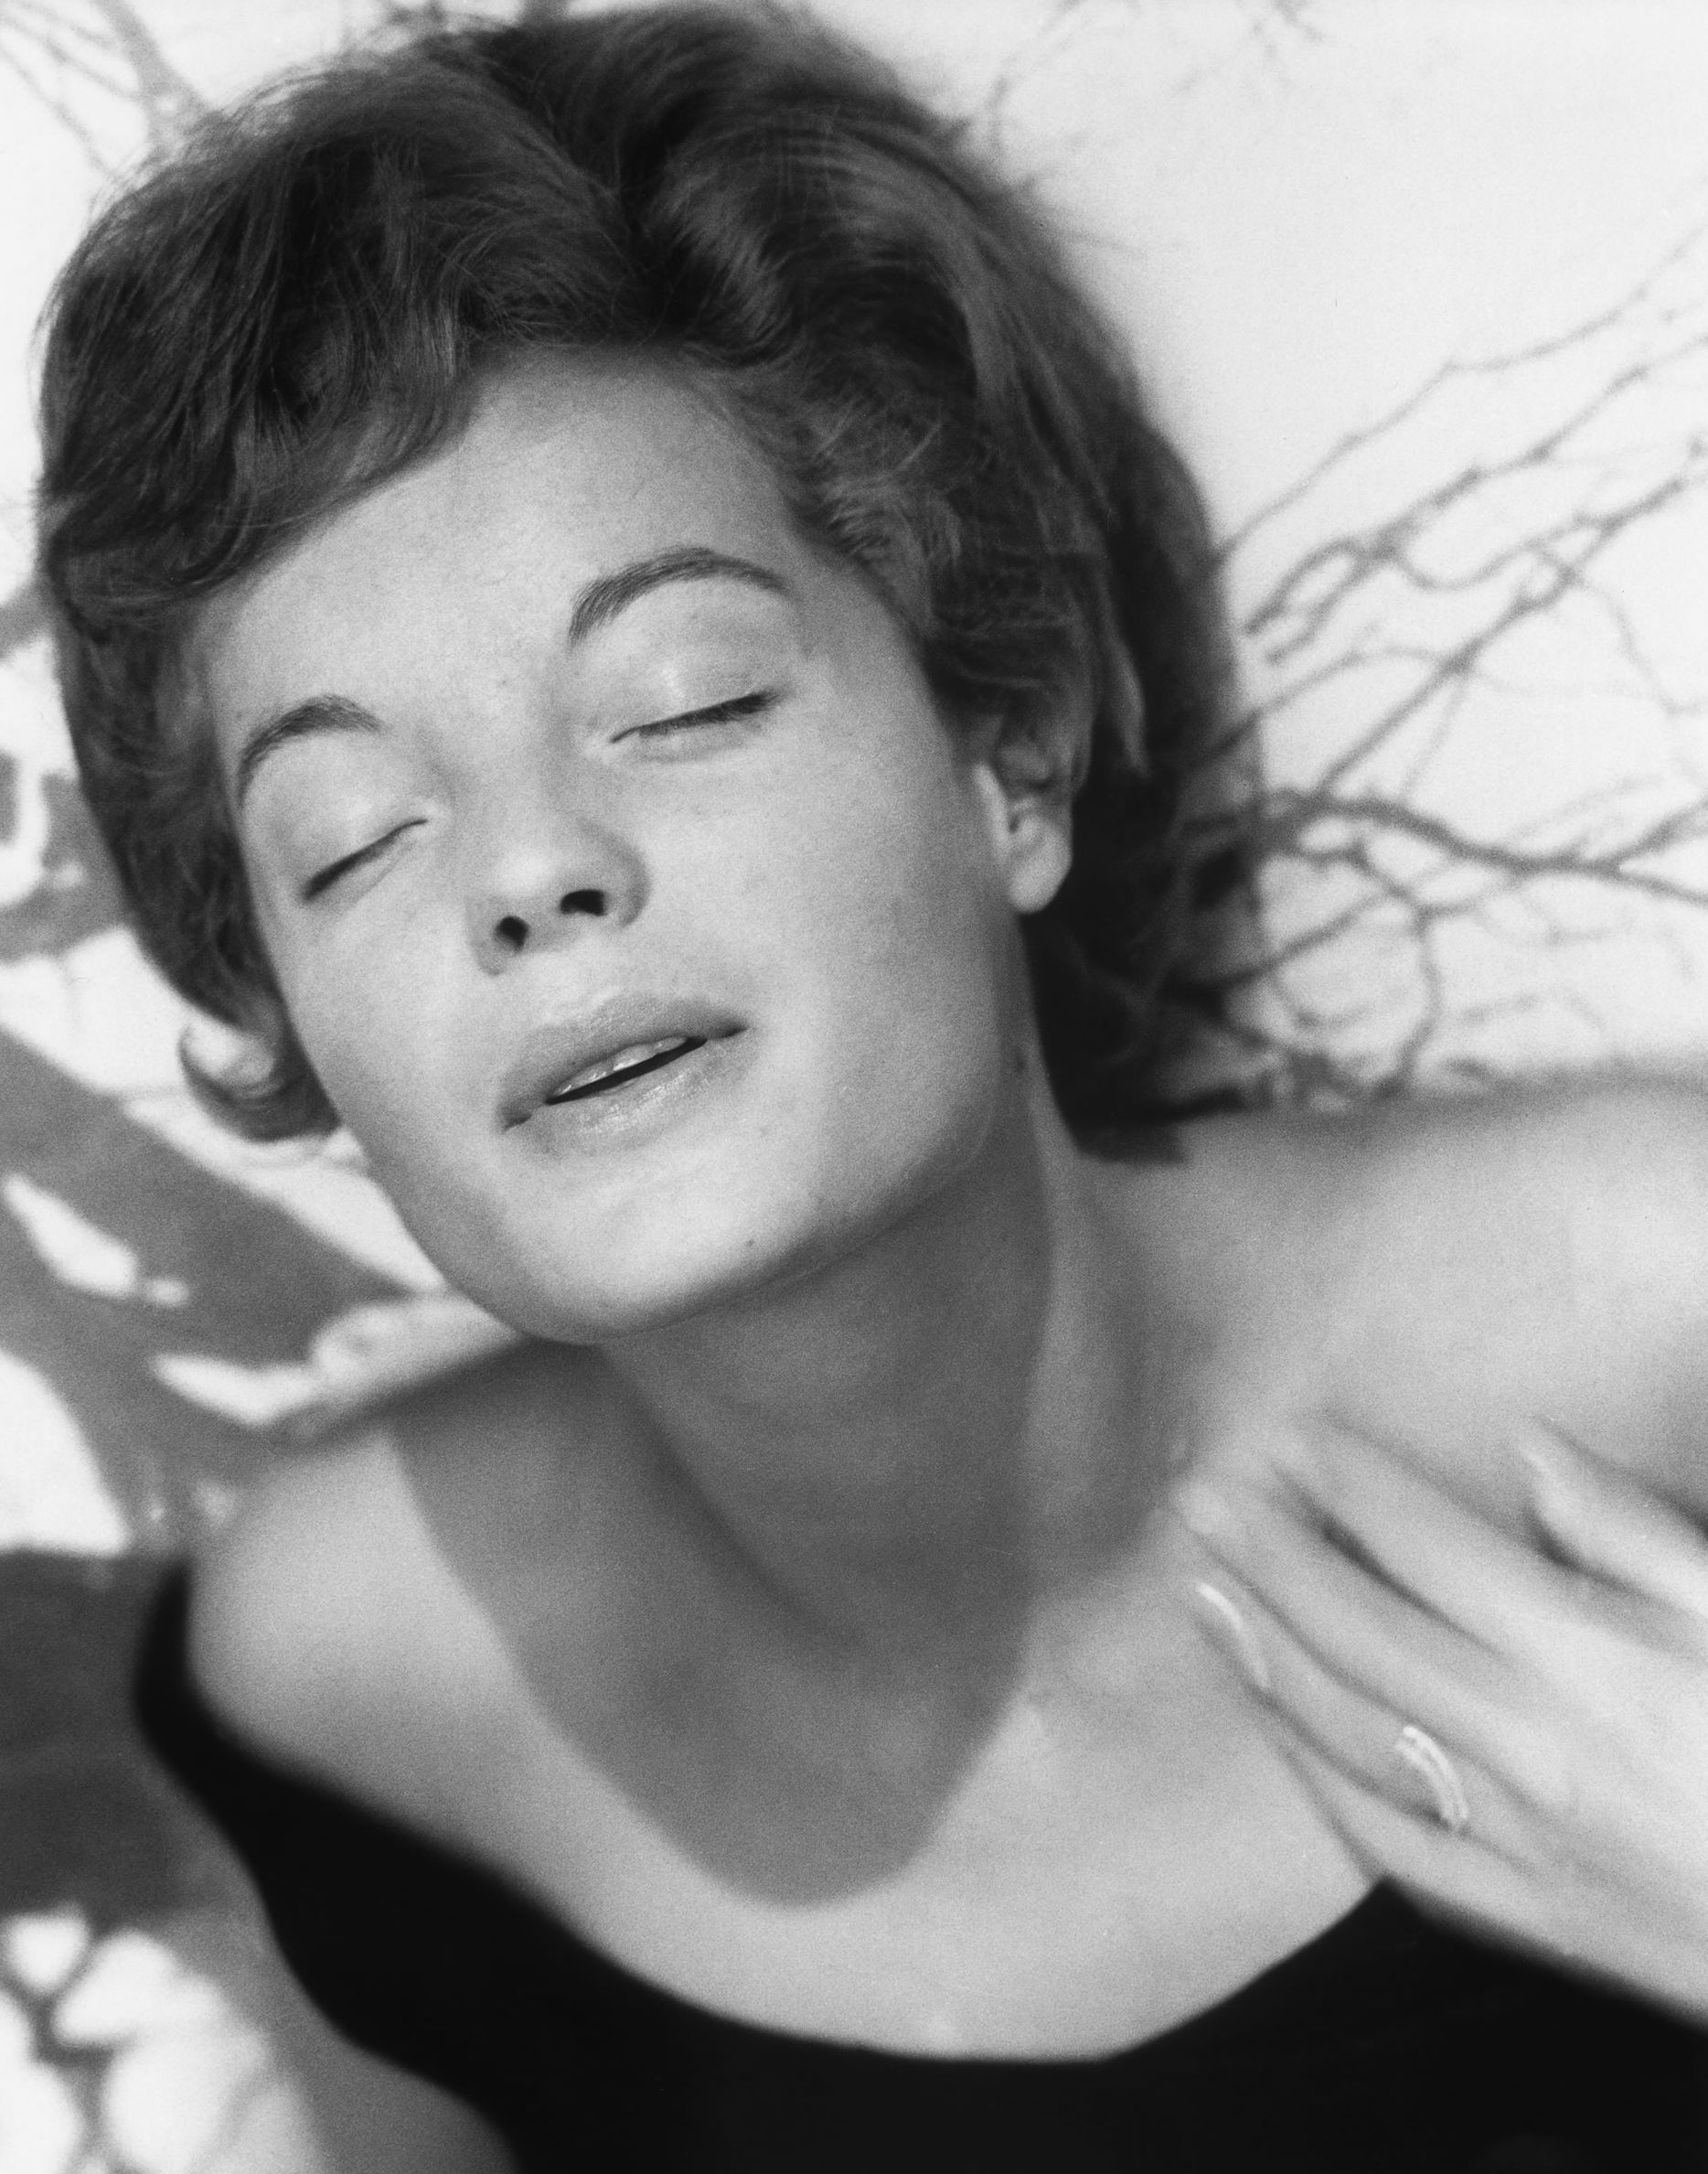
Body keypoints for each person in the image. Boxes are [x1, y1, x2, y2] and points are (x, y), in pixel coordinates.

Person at [35, 3, 1708, 2166]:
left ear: (1006, 753)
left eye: (682, 699)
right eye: (353, 839)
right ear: (287, 1032)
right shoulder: (354, 1695)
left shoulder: (1655, 1325)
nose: (532, 873)